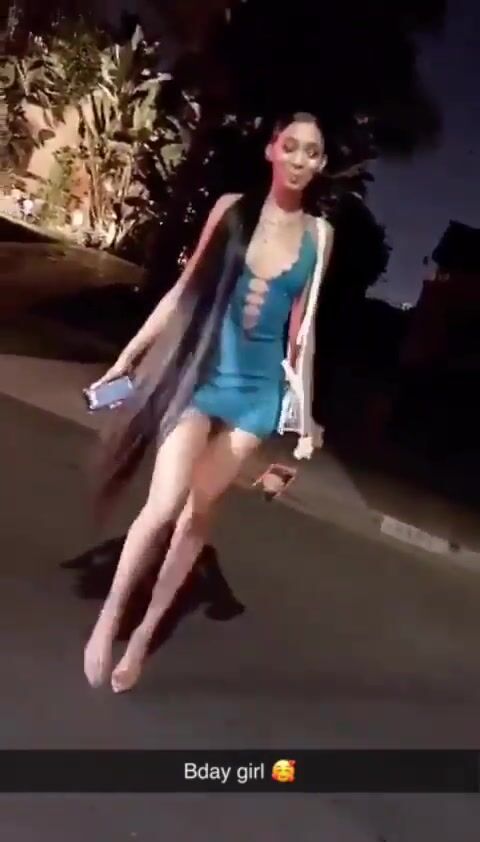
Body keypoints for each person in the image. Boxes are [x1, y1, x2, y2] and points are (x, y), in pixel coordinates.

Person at [84, 111, 334, 693]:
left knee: (198, 513)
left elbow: (303, 334)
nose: (299, 160)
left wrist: (304, 416)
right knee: (163, 504)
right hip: (204, 377)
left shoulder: (320, 235)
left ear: (321, 164)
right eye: (291, 146)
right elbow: (184, 289)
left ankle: (142, 636)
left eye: (312, 152)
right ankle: (109, 620)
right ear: (272, 150)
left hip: (257, 397)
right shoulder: (232, 210)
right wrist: (128, 357)